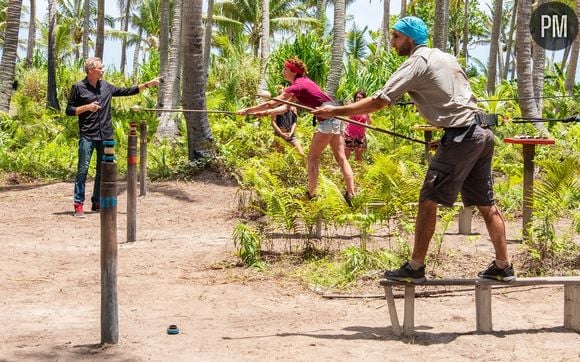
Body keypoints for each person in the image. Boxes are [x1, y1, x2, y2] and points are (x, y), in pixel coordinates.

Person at [313, 16, 514, 282]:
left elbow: (379, 101)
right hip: (481, 133)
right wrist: (450, 135)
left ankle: (415, 267)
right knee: (486, 204)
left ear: (410, 38)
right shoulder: (445, 58)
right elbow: (459, 101)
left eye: (396, 36)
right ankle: (503, 266)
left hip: (463, 136)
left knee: (429, 199)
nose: (392, 42)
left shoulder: (417, 61)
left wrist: (335, 111)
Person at [238, 57, 355, 204]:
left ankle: (311, 195)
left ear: (293, 72)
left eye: (285, 69)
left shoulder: (297, 86)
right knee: (341, 158)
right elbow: (285, 107)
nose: (283, 72)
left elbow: (272, 103)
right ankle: (351, 194)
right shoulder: (303, 83)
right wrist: (266, 113)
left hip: (327, 119)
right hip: (336, 115)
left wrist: (247, 110)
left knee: (312, 158)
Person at [66, 57, 159, 218]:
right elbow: (69, 110)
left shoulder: (106, 86)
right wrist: (87, 107)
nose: (103, 70)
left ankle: (96, 201)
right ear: (90, 70)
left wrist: (147, 84)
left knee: (103, 170)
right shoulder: (78, 87)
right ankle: (78, 204)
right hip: (88, 135)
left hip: (106, 136)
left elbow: (126, 91)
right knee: (83, 170)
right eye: (100, 68)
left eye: (103, 67)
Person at [261, 91, 305, 156]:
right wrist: (281, 133)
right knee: (280, 156)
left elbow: (295, 122)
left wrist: (291, 133)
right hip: (279, 135)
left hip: (291, 135)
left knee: (301, 154)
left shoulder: (293, 108)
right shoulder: (276, 108)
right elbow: (273, 122)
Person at [344, 90, 372, 162]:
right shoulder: (352, 107)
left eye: (360, 97)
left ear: (364, 99)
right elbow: (346, 119)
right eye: (357, 97)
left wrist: (368, 115)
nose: (358, 99)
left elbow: (369, 123)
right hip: (349, 135)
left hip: (360, 136)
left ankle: (359, 172)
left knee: (358, 159)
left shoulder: (367, 109)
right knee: (345, 158)